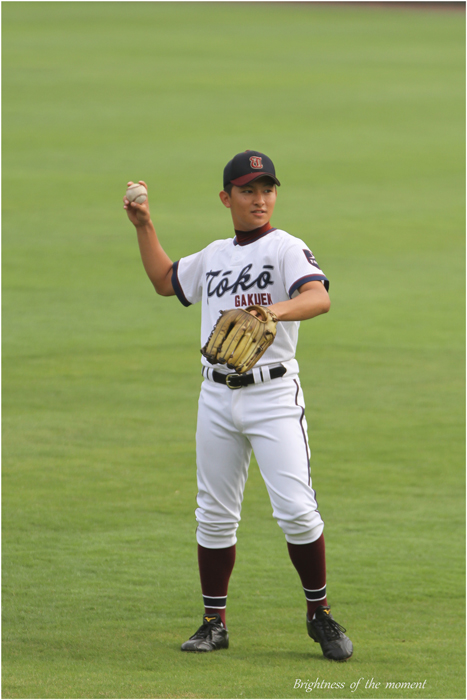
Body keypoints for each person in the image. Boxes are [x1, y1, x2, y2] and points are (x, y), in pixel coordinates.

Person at [123, 150, 353, 661]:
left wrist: (269, 309)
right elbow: (166, 282)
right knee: (214, 516)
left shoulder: (286, 248)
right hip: (216, 396)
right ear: (227, 198)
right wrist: (144, 225)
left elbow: (318, 298)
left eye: (267, 189)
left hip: (273, 395)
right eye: (248, 190)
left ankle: (320, 615)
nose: (260, 199)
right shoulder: (213, 254)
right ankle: (213, 623)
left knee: (296, 511)